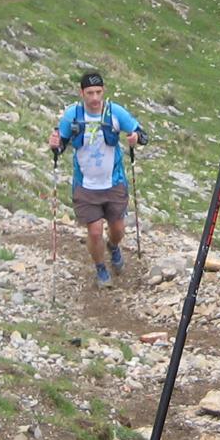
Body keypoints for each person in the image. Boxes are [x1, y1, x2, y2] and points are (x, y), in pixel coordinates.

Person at [48, 71, 143, 287]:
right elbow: (60, 145)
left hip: (114, 182)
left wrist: (135, 137)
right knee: (94, 230)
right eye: (90, 93)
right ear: (82, 93)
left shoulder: (114, 112)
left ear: (103, 91)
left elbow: (140, 132)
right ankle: (101, 268)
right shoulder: (72, 115)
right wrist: (55, 144)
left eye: (98, 92)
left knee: (118, 228)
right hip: (85, 185)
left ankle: (113, 246)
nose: (94, 98)